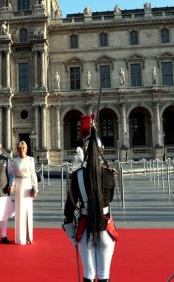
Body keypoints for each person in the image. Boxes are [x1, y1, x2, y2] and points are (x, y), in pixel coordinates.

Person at [64, 117, 117, 282]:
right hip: (106, 228)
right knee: (103, 276)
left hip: (85, 230)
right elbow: (111, 199)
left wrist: (73, 238)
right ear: (102, 151)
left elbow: (68, 212)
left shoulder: (77, 176)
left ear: (85, 152)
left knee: (88, 275)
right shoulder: (110, 175)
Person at [12, 140, 38, 245]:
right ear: (17, 149)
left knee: (28, 212)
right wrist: (12, 185)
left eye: (23, 148)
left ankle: (28, 236)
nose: (22, 150)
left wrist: (35, 188)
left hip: (27, 186)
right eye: (20, 148)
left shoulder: (31, 160)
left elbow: (33, 174)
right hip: (19, 186)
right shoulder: (15, 160)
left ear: (26, 149)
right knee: (19, 212)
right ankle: (20, 238)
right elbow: (13, 175)